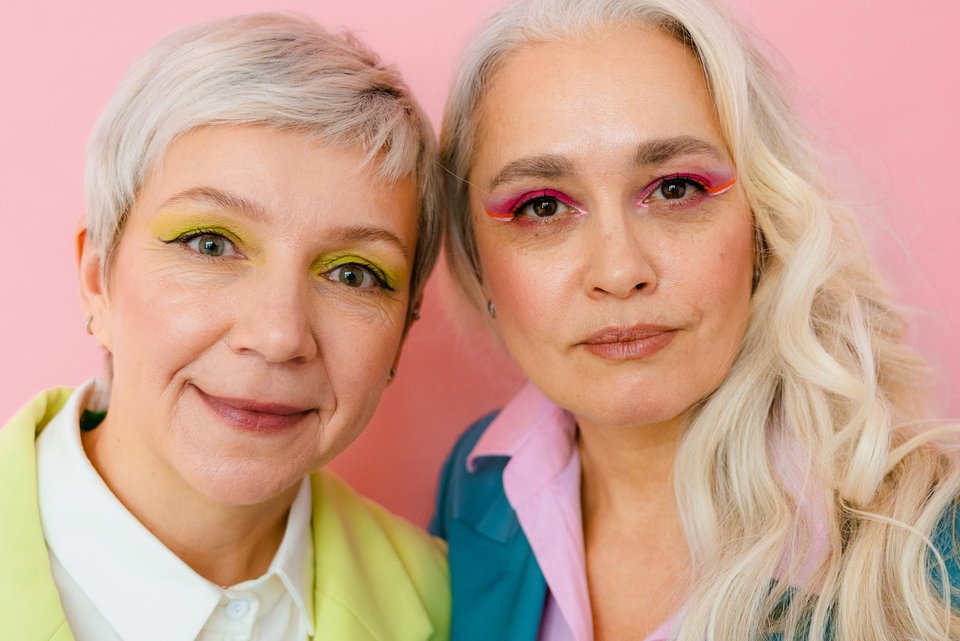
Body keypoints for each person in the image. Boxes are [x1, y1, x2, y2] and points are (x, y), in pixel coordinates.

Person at [429, 0, 960, 640]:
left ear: (762, 223)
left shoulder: (934, 538)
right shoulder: (474, 483)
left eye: (674, 188)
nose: (620, 270)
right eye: (542, 205)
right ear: (478, 263)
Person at [0, 13, 449, 641]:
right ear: (97, 281)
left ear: (402, 333)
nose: (278, 336)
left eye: (353, 274)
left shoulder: (451, 605)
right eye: (210, 244)